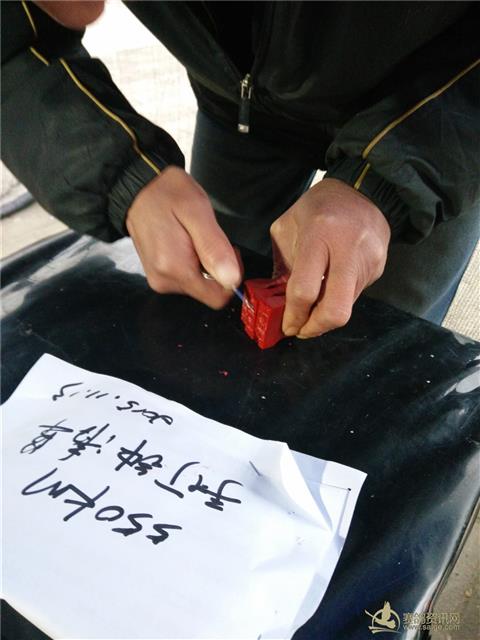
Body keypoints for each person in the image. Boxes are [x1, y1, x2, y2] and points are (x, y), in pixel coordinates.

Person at [2, 1, 479, 339]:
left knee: (384, 345)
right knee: (214, 290)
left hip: (439, 126)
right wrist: (122, 175)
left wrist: (391, 184)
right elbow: (10, 47)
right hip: (239, 108)